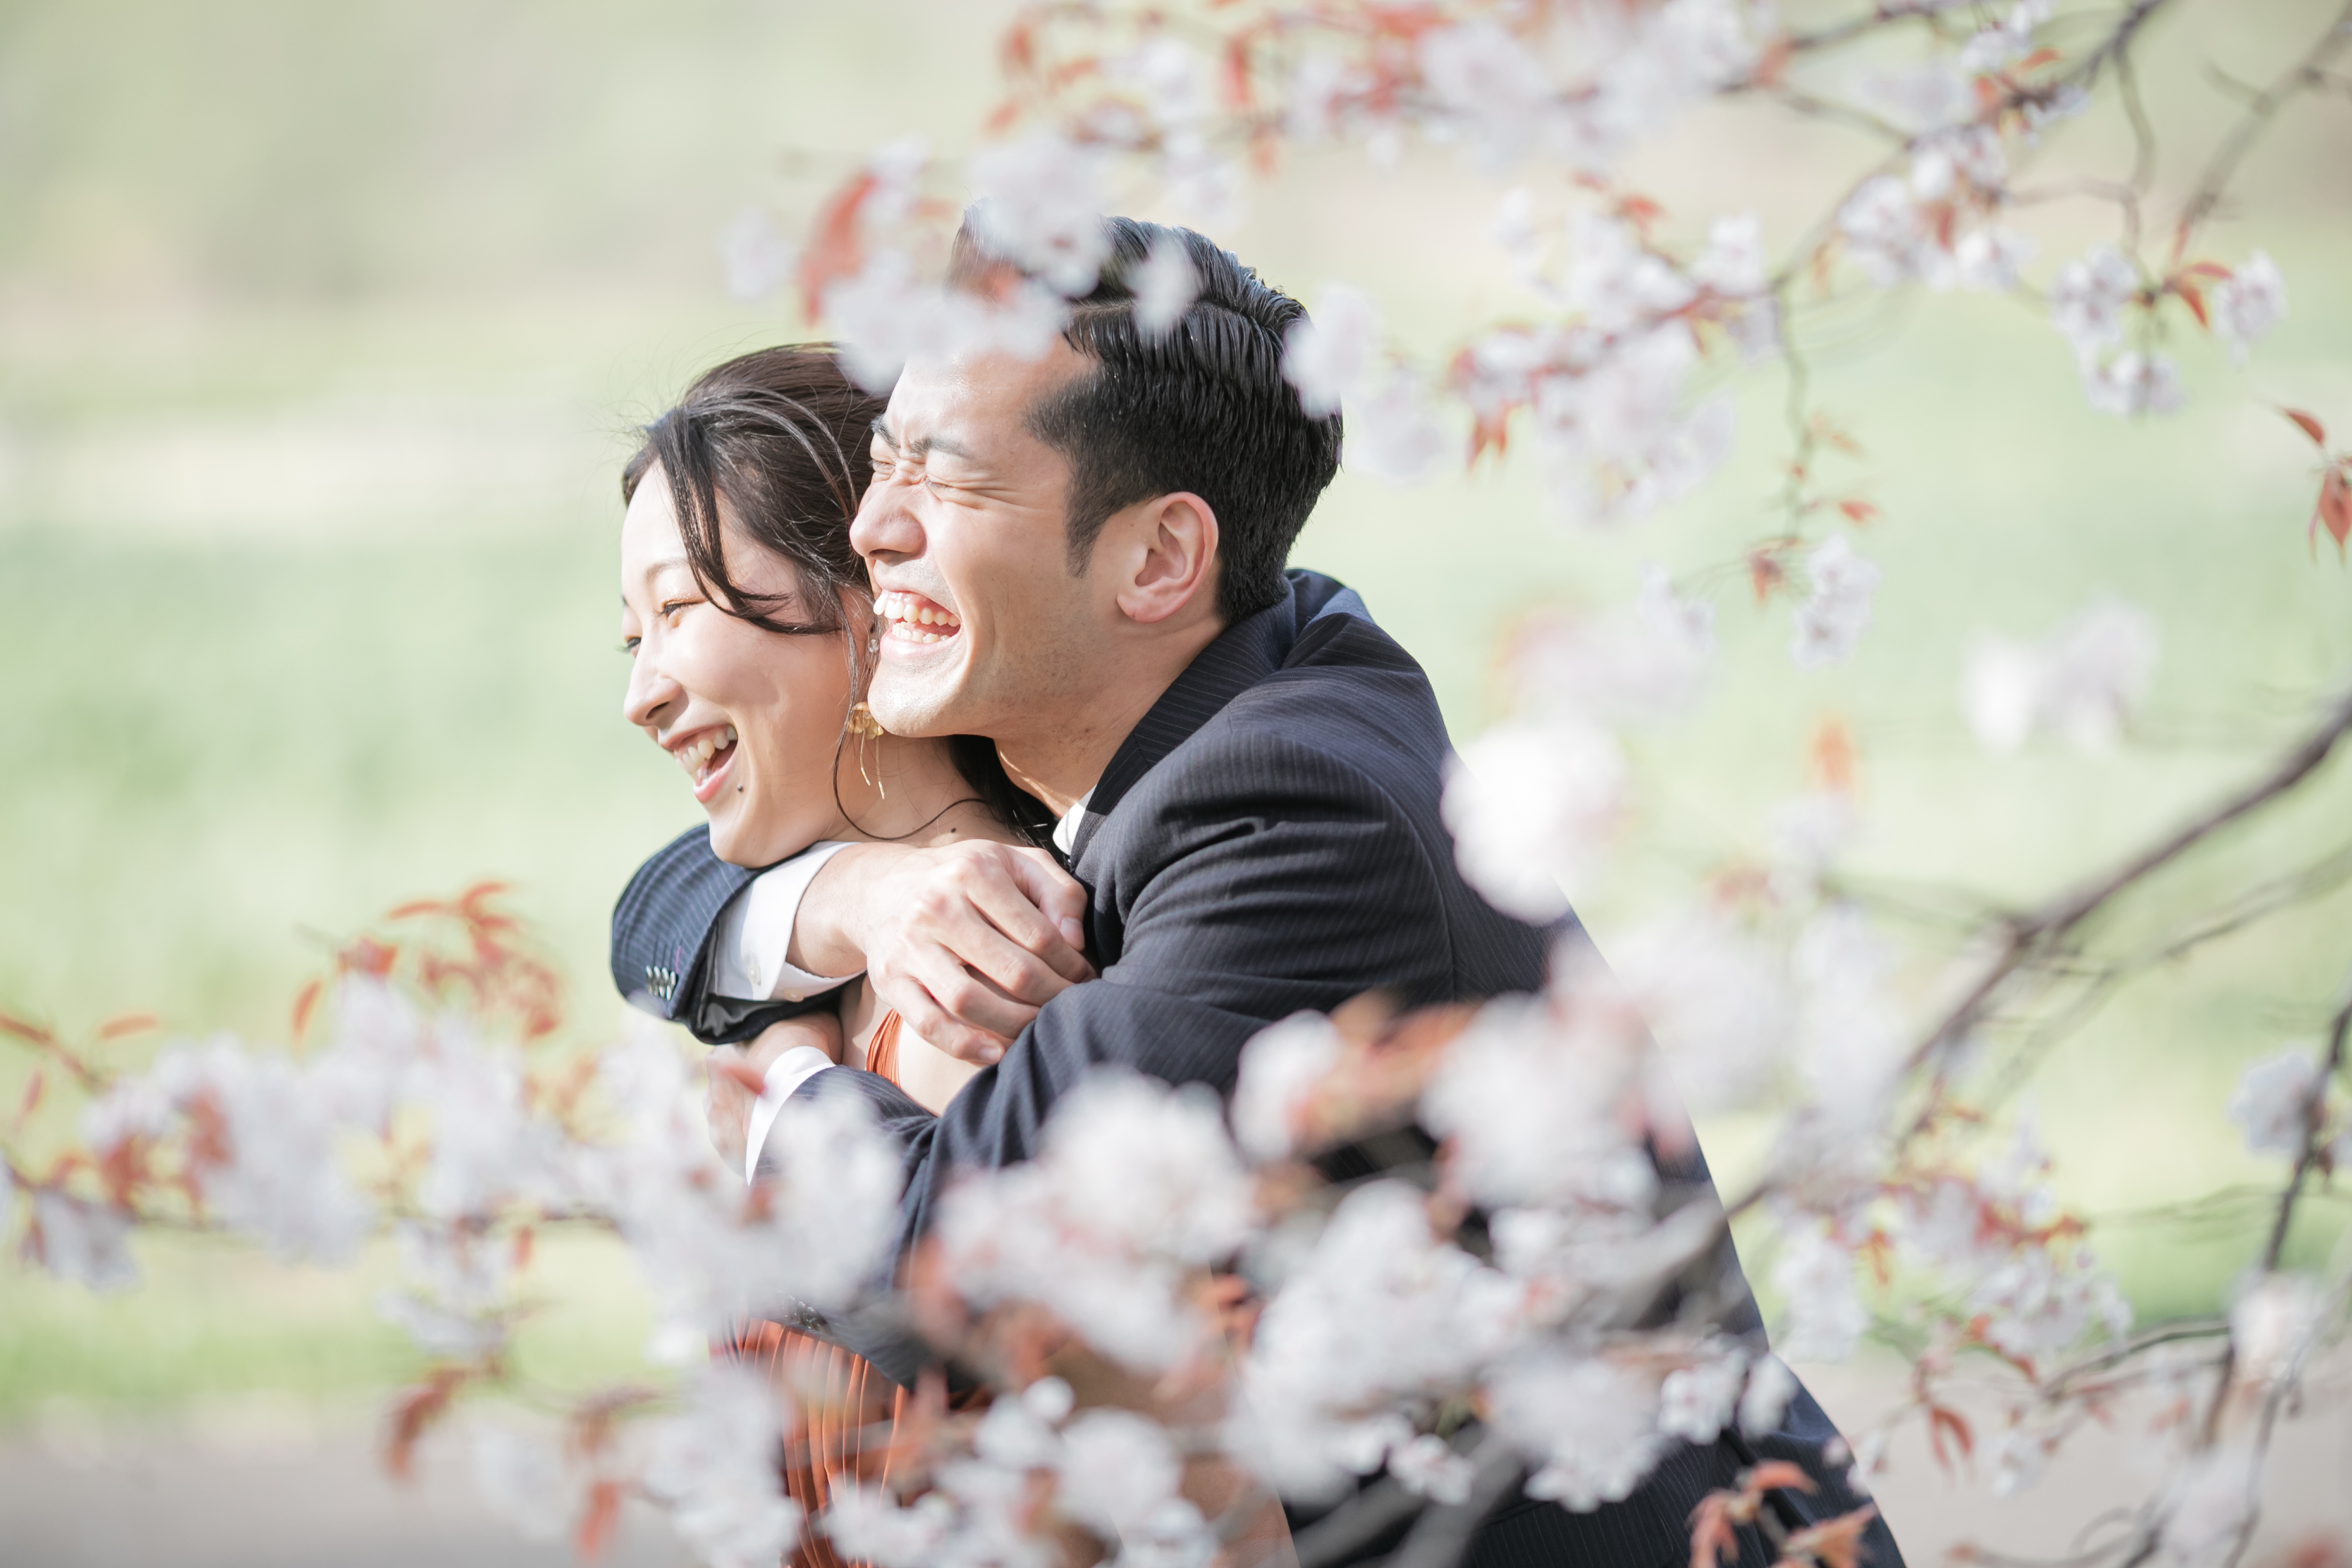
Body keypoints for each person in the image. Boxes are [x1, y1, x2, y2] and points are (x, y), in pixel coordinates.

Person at [614, 217, 1902, 1568]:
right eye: (884, 467)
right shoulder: (1247, 652)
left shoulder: (1293, 808)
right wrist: (855, 898)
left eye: (947, 485)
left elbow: (970, 1259)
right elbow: (666, 905)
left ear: (1160, 561)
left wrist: (772, 1102)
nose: (876, 534)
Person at [612, 343, 1051, 1568]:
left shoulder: (992, 983)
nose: (642, 693)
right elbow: (641, 931)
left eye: (680, 612)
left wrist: (783, 1103)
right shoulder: (813, 979)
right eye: (630, 638)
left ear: (870, 610)